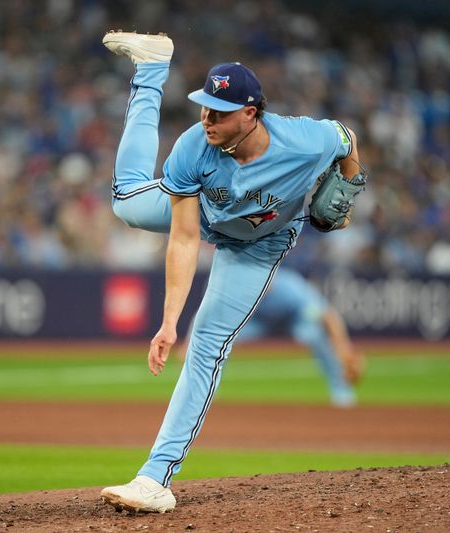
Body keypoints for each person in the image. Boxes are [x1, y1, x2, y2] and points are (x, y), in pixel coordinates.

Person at [99, 31, 364, 513]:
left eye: (218, 112)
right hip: (204, 214)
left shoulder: (305, 141)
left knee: (208, 345)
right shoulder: (193, 147)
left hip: (258, 247)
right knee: (127, 204)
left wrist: (347, 187)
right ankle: (151, 69)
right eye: (203, 107)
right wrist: (167, 322)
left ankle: (154, 478)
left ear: (251, 113)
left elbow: (346, 140)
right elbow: (183, 239)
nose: (207, 119)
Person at [232, 268, 365, 407]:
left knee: (316, 335)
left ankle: (342, 391)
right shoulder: (241, 289)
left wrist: (344, 348)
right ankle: (211, 389)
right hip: (260, 322)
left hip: (293, 320)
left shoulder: (290, 288)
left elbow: (327, 316)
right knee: (226, 336)